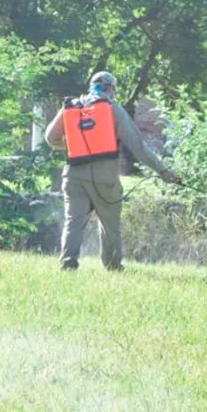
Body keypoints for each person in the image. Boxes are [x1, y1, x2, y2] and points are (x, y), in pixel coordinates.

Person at [44, 71, 179, 271]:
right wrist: (163, 171)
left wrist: (77, 143)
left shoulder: (70, 108)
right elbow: (138, 147)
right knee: (109, 225)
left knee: (73, 222)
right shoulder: (112, 110)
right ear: (110, 88)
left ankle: (68, 263)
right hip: (105, 178)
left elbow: (50, 138)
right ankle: (113, 266)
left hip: (73, 176)